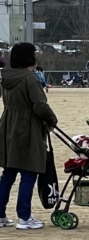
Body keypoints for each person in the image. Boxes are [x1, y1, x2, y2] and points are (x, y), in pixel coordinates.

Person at [0, 42, 58, 229]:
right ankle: (24, 217)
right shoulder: (30, 78)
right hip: (27, 128)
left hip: (8, 125)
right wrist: (52, 120)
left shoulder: (6, 77)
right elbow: (39, 105)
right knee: (29, 172)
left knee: (8, 173)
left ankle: (0, 215)